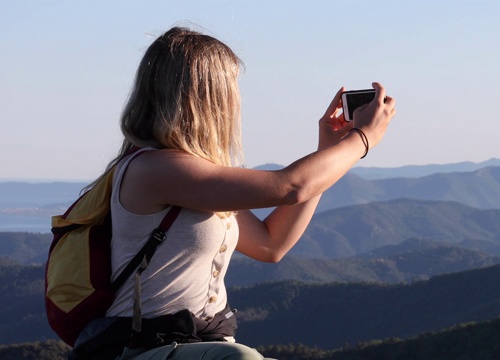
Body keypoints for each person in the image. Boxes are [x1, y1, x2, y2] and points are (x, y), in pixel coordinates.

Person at [72, 26, 395, 359]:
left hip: (200, 345)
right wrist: (362, 140)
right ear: (205, 96)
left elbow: (271, 243)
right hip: (144, 348)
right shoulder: (153, 170)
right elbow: (291, 186)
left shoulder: (197, 179)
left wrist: (329, 146)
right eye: (230, 88)